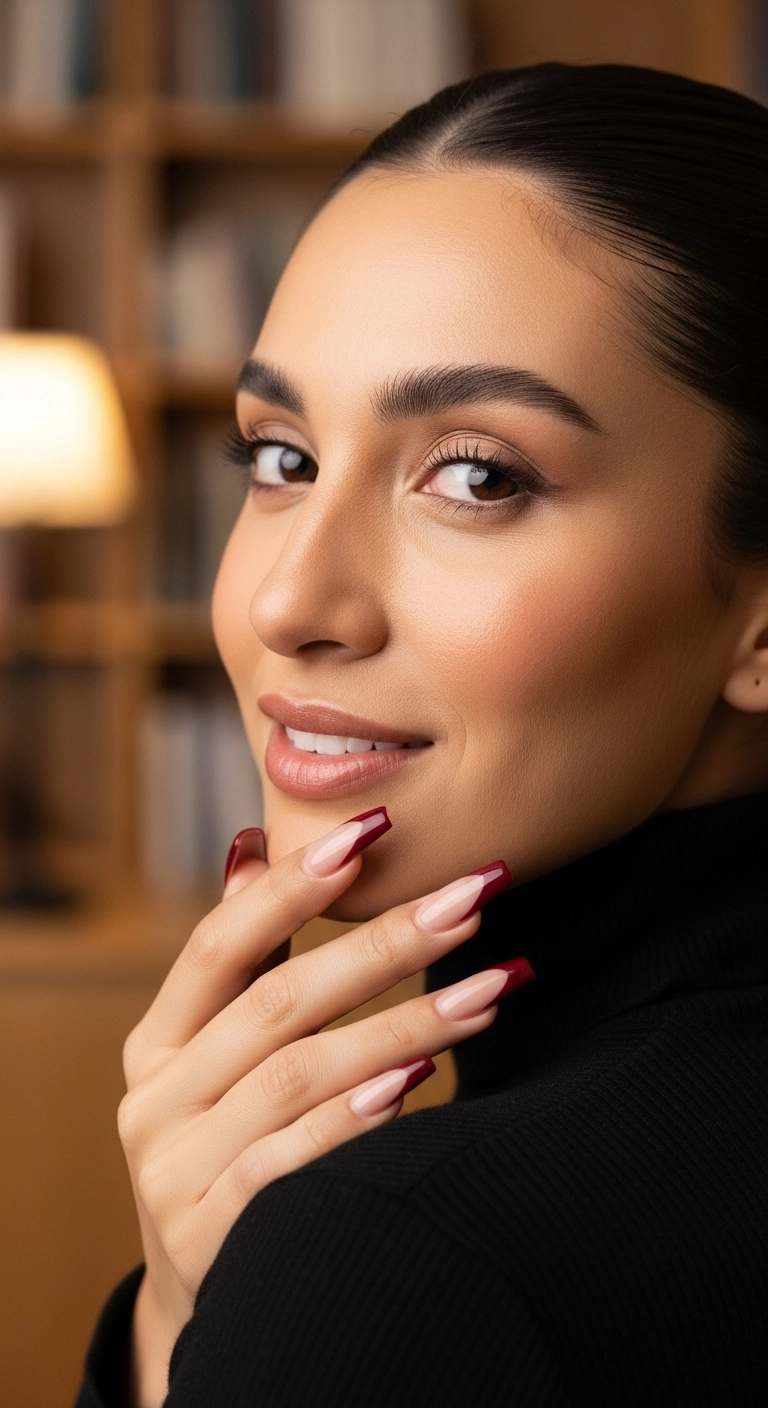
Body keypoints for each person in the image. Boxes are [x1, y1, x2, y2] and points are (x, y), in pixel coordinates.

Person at [77, 64, 768, 1407]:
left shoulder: (400, 1258)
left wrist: (183, 1344)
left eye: (475, 475)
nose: (288, 602)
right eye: (280, 458)